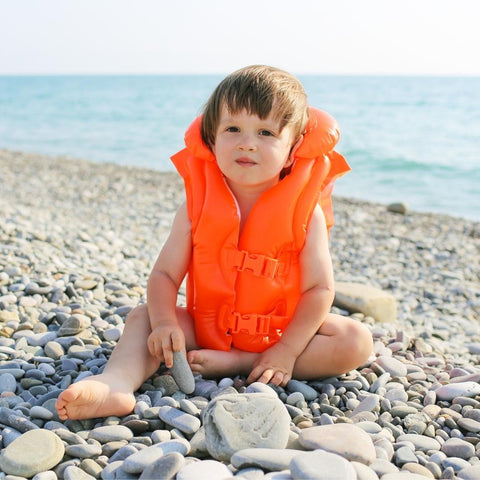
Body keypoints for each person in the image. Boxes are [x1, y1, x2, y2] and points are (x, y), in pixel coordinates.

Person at [56, 65, 373, 421]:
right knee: (143, 317)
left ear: (292, 150)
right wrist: (165, 324)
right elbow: (163, 274)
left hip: (280, 333)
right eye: (233, 128)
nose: (247, 142)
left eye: (266, 132)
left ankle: (248, 363)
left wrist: (286, 350)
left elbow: (319, 289)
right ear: (211, 136)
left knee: (355, 339)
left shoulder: (305, 212)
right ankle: (116, 383)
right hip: (205, 328)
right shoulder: (197, 205)